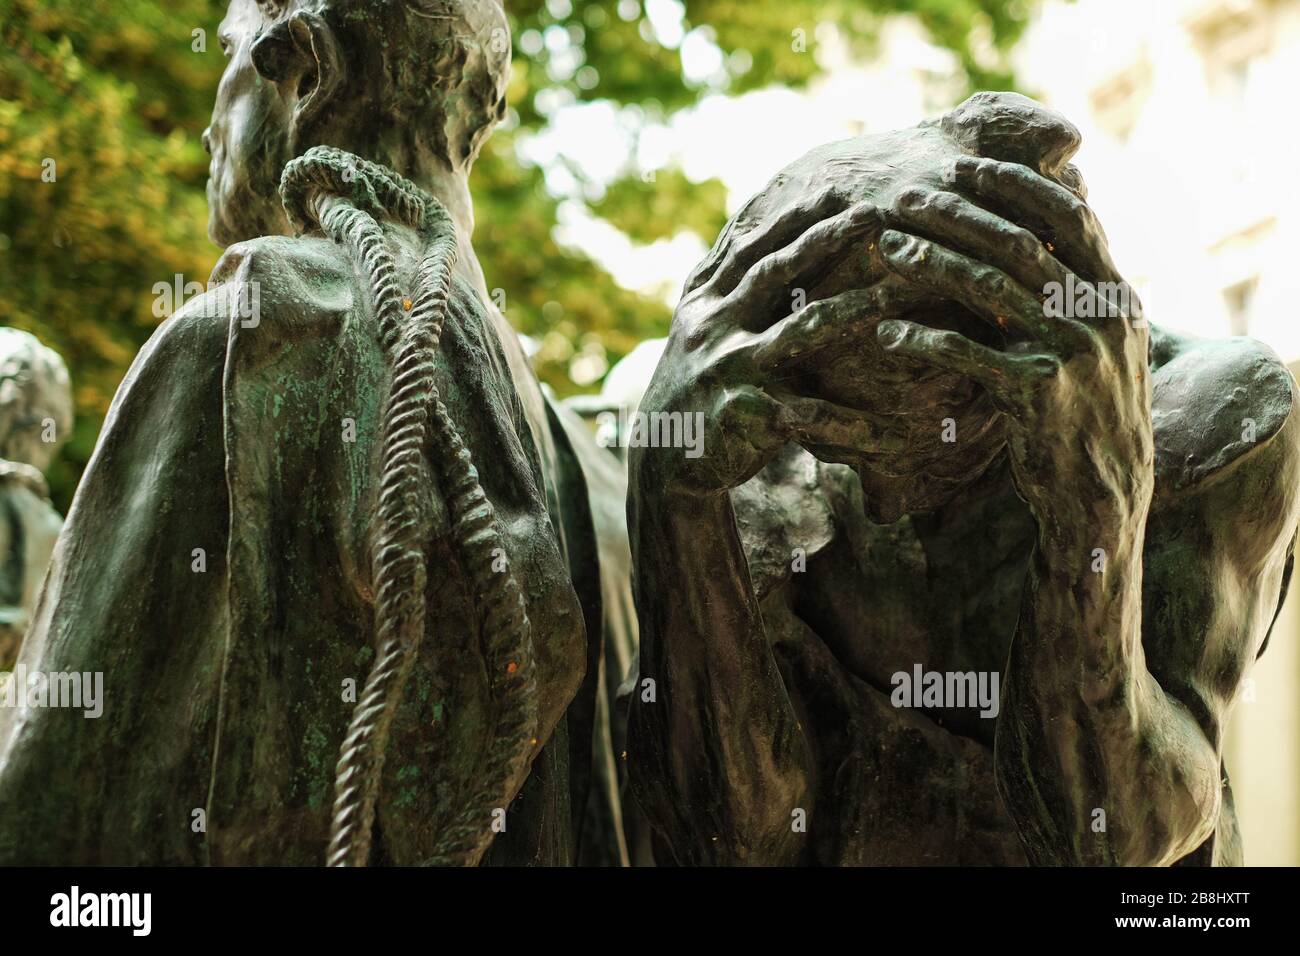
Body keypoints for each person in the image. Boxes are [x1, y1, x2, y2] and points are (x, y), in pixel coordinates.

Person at [0, 0, 635, 866]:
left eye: (226, 61)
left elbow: (55, 822)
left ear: (309, 72)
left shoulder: (243, 344)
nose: (203, 128)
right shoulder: (578, 458)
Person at [625, 92, 1299, 865]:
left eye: (909, 443)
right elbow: (731, 842)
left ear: (1020, 371)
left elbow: (1115, 838)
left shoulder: (1214, 416)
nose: (875, 495)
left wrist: (1095, 508)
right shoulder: (769, 424)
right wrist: (671, 498)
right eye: (839, 443)